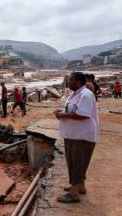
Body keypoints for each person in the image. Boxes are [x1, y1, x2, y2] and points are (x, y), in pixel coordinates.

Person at [54, 72, 99, 203]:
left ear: (79, 82)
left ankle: (74, 193)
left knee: (76, 162)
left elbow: (82, 115)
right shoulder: (75, 94)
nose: (68, 82)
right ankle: (80, 186)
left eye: (71, 80)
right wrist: (62, 113)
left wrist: (62, 115)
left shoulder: (85, 95)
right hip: (74, 134)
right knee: (79, 161)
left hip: (81, 135)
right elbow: (72, 110)